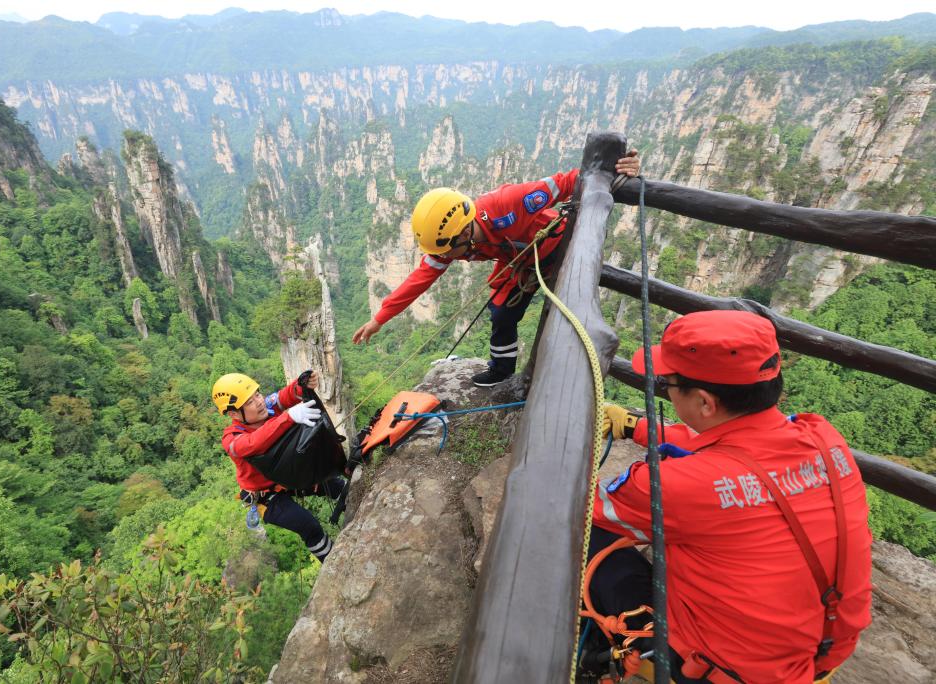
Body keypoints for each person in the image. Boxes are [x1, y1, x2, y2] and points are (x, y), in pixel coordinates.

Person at [589, 310, 871, 683]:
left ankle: (602, 651)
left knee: (589, 538)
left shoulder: (675, 486)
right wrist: (638, 427)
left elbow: (583, 507)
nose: (665, 389)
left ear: (705, 403)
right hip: (818, 655)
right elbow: (746, 444)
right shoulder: (823, 437)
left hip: (717, 669)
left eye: (668, 383)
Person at [352, 152, 641, 387]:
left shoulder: (510, 203)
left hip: (559, 250)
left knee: (567, 318)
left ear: (463, 234)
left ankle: (566, 382)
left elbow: (567, 181)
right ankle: (502, 370)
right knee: (502, 312)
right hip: (519, 262)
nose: (442, 259)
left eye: (445, 252)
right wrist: (380, 318)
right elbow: (419, 279)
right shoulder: (453, 242)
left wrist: (614, 169)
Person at [212, 371, 344, 563]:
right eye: (249, 402)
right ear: (233, 414)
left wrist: (302, 385)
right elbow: (252, 443)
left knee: (336, 486)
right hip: (267, 496)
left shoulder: (267, 406)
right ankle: (335, 563)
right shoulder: (232, 439)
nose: (258, 402)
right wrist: (288, 417)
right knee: (308, 525)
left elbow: (285, 396)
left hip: (288, 476)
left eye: (257, 394)